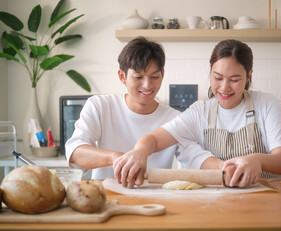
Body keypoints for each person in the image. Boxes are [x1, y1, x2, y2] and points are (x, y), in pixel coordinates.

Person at [113, 39, 281, 188]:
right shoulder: (200, 112)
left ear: (249, 75)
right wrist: (140, 152)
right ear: (210, 71)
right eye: (218, 78)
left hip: (268, 196)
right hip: (219, 201)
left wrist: (257, 160)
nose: (224, 87)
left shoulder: (266, 104)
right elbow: (152, 139)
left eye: (235, 79)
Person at [65, 36, 212, 188]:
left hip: (154, 200)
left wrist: (224, 169)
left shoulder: (174, 118)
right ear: (122, 76)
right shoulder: (100, 106)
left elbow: (196, 158)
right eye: (138, 77)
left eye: (154, 76)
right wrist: (118, 158)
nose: (147, 85)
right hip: (105, 196)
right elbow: (75, 153)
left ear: (162, 73)